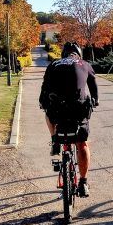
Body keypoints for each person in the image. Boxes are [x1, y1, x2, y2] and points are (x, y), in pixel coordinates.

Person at [39, 42, 98, 198]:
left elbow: (45, 88)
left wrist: (43, 102)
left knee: (47, 113)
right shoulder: (84, 64)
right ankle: (83, 182)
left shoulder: (54, 64)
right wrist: (96, 100)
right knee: (82, 143)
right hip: (79, 110)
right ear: (78, 54)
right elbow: (93, 87)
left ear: (63, 54)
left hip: (58, 110)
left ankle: (55, 141)